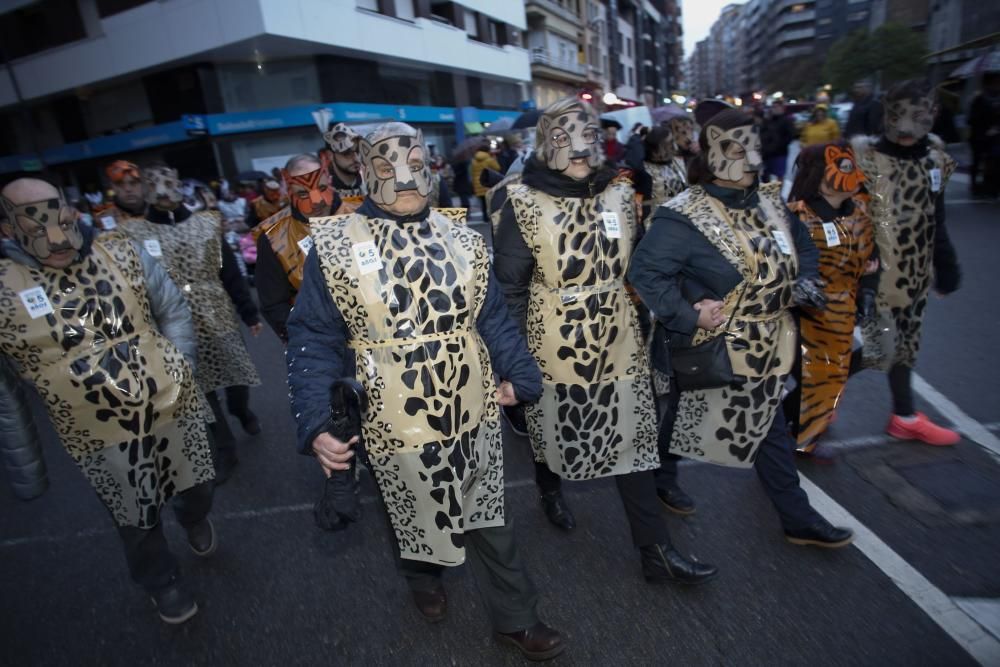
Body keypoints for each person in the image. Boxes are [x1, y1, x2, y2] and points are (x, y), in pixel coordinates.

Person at [285, 122, 565, 661]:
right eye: (388, 169)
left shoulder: (463, 236)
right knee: (414, 510)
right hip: (392, 413)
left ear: (432, 166)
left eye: (416, 164)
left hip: (470, 399)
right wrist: (316, 420)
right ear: (364, 174)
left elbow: (492, 315)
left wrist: (520, 373)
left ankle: (517, 618)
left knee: (489, 517)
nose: (407, 178)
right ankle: (422, 573)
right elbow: (313, 334)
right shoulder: (337, 246)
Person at [492, 97, 717, 583]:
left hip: (619, 335)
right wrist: (513, 361)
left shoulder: (619, 194)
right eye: (563, 138)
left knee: (634, 440)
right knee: (548, 428)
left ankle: (655, 552)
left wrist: (681, 309)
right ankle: (550, 488)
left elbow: (642, 267)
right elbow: (509, 287)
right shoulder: (522, 201)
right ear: (544, 144)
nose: (578, 148)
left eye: (588, 136)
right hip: (553, 339)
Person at [629, 102, 855, 549]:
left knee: (697, 416)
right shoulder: (683, 213)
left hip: (773, 338)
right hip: (715, 343)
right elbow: (645, 273)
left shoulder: (771, 199)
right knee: (756, 423)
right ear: (712, 155)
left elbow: (802, 245)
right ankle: (796, 516)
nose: (750, 157)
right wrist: (688, 313)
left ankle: (662, 474)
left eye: (754, 145)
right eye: (737, 147)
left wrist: (806, 279)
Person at [0, 177, 216, 624]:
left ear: (72, 212)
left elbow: (172, 308)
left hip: (169, 398)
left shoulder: (119, 251)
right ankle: (161, 580)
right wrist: (27, 470)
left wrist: (183, 366)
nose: (56, 238)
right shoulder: (4, 290)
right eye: (36, 227)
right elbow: (5, 389)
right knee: (136, 511)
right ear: (7, 230)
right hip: (95, 427)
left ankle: (192, 513)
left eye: (60, 219)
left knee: (197, 485)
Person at [122, 164, 263, 482]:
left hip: (217, 313)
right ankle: (225, 449)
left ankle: (241, 409)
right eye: (152, 184)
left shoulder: (206, 224)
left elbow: (229, 272)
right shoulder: (135, 233)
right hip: (172, 322)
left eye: (168, 183)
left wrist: (249, 312)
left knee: (235, 377)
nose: (161, 191)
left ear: (179, 186)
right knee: (198, 389)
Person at [851, 78, 962, 445]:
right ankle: (808, 405)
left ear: (933, 114)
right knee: (877, 348)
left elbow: (937, 218)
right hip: (871, 273)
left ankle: (905, 416)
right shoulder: (864, 161)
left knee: (906, 346)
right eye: (897, 116)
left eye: (917, 117)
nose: (905, 128)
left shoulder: (935, 162)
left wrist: (946, 270)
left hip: (914, 273)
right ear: (885, 115)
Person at [782, 142, 878, 458]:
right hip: (804, 314)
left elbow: (871, 259)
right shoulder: (797, 216)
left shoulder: (860, 213)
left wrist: (867, 288)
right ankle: (796, 437)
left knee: (834, 374)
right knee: (818, 377)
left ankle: (793, 423)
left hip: (844, 309)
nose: (855, 175)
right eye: (844, 167)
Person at [254, 153, 346, 343]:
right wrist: (305, 341)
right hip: (322, 344)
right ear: (289, 192)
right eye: (303, 193)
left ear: (329, 180)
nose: (316, 200)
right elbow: (274, 304)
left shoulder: (360, 214)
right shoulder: (274, 237)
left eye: (321, 188)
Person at [627, 125, 688, 226]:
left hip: (680, 217)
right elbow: (632, 158)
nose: (674, 146)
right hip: (655, 222)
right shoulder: (643, 168)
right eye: (668, 144)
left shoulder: (678, 162)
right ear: (656, 146)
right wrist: (636, 136)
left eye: (673, 141)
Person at [969, 72, 1000, 198]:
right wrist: (986, 128)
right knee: (978, 161)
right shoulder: (979, 98)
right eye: (996, 82)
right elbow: (971, 119)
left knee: (994, 161)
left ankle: (992, 186)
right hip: (980, 136)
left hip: (996, 137)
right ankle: (976, 185)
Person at [94, 160, 146, 230]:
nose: (128, 189)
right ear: (113, 187)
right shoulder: (104, 217)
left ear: (143, 185)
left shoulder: (158, 210)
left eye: (133, 183)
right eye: (120, 184)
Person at [322, 122, 366, 202]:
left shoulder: (369, 182)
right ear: (330, 155)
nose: (356, 158)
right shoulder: (324, 190)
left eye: (358, 151)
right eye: (347, 153)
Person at [761, 100, 796, 182]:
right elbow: (762, 133)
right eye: (773, 107)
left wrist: (780, 145)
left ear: (782, 108)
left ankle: (778, 194)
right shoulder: (768, 120)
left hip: (780, 153)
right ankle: (768, 194)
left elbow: (790, 136)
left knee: (780, 175)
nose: (774, 109)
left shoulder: (786, 120)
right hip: (766, 153)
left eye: (777, 107)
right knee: (766, 175)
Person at [471, 140, 500, 221]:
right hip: (488, 183)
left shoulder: (474, 161)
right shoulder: (489, 159)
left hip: (478, 184)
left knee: (483, 203)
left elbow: (472, 173)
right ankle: (491, 217)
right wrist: (494, 158)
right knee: (490, 202)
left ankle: (485, 218)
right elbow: (497, 168)